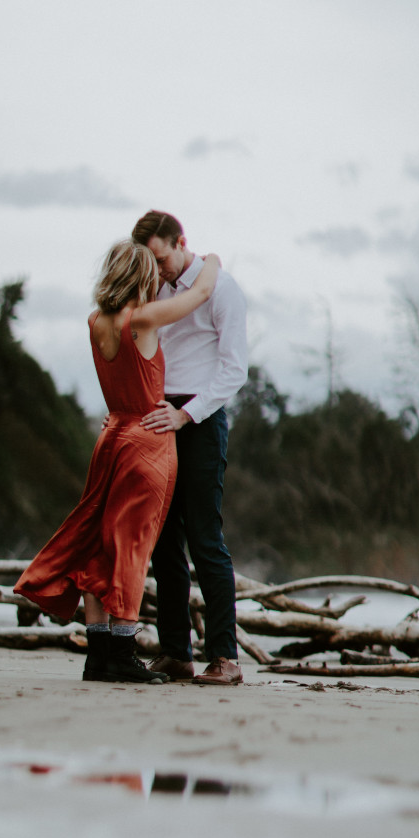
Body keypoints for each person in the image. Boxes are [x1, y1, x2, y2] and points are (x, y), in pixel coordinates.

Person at [14, 239, 220, 684]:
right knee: (133, 545)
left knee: (98, 544)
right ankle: (123, 653)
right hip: (147, 442)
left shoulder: (96, 321)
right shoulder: (140, 320)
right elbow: (199, 294)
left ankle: (99, 655)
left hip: (111, 437)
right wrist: (213, 262)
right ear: (142, 276)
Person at [131, 211, 248, 686]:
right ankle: (176, 653)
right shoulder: (152, 286)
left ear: (181, 242)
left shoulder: (222, 288)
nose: (157, 271)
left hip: (200, 418)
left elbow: (234, 370)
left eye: (161, 259)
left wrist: (187, 414)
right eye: (149, 263)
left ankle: (225, 657)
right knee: (163, 543)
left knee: (205, 538)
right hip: (157, 414)